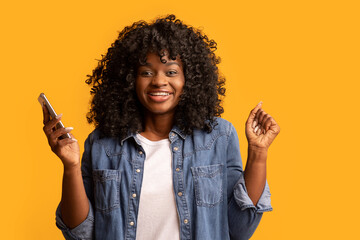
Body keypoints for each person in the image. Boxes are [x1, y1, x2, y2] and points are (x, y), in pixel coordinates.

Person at [42, 14, 280, 240]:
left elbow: (240, 229)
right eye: (146, 72)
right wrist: (70, 166)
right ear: (129, 79)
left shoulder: (218, 136)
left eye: (171, 72)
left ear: (189, 79)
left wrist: (258, 154)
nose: (158, 80)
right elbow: (80, 233)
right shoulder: (102, 143)